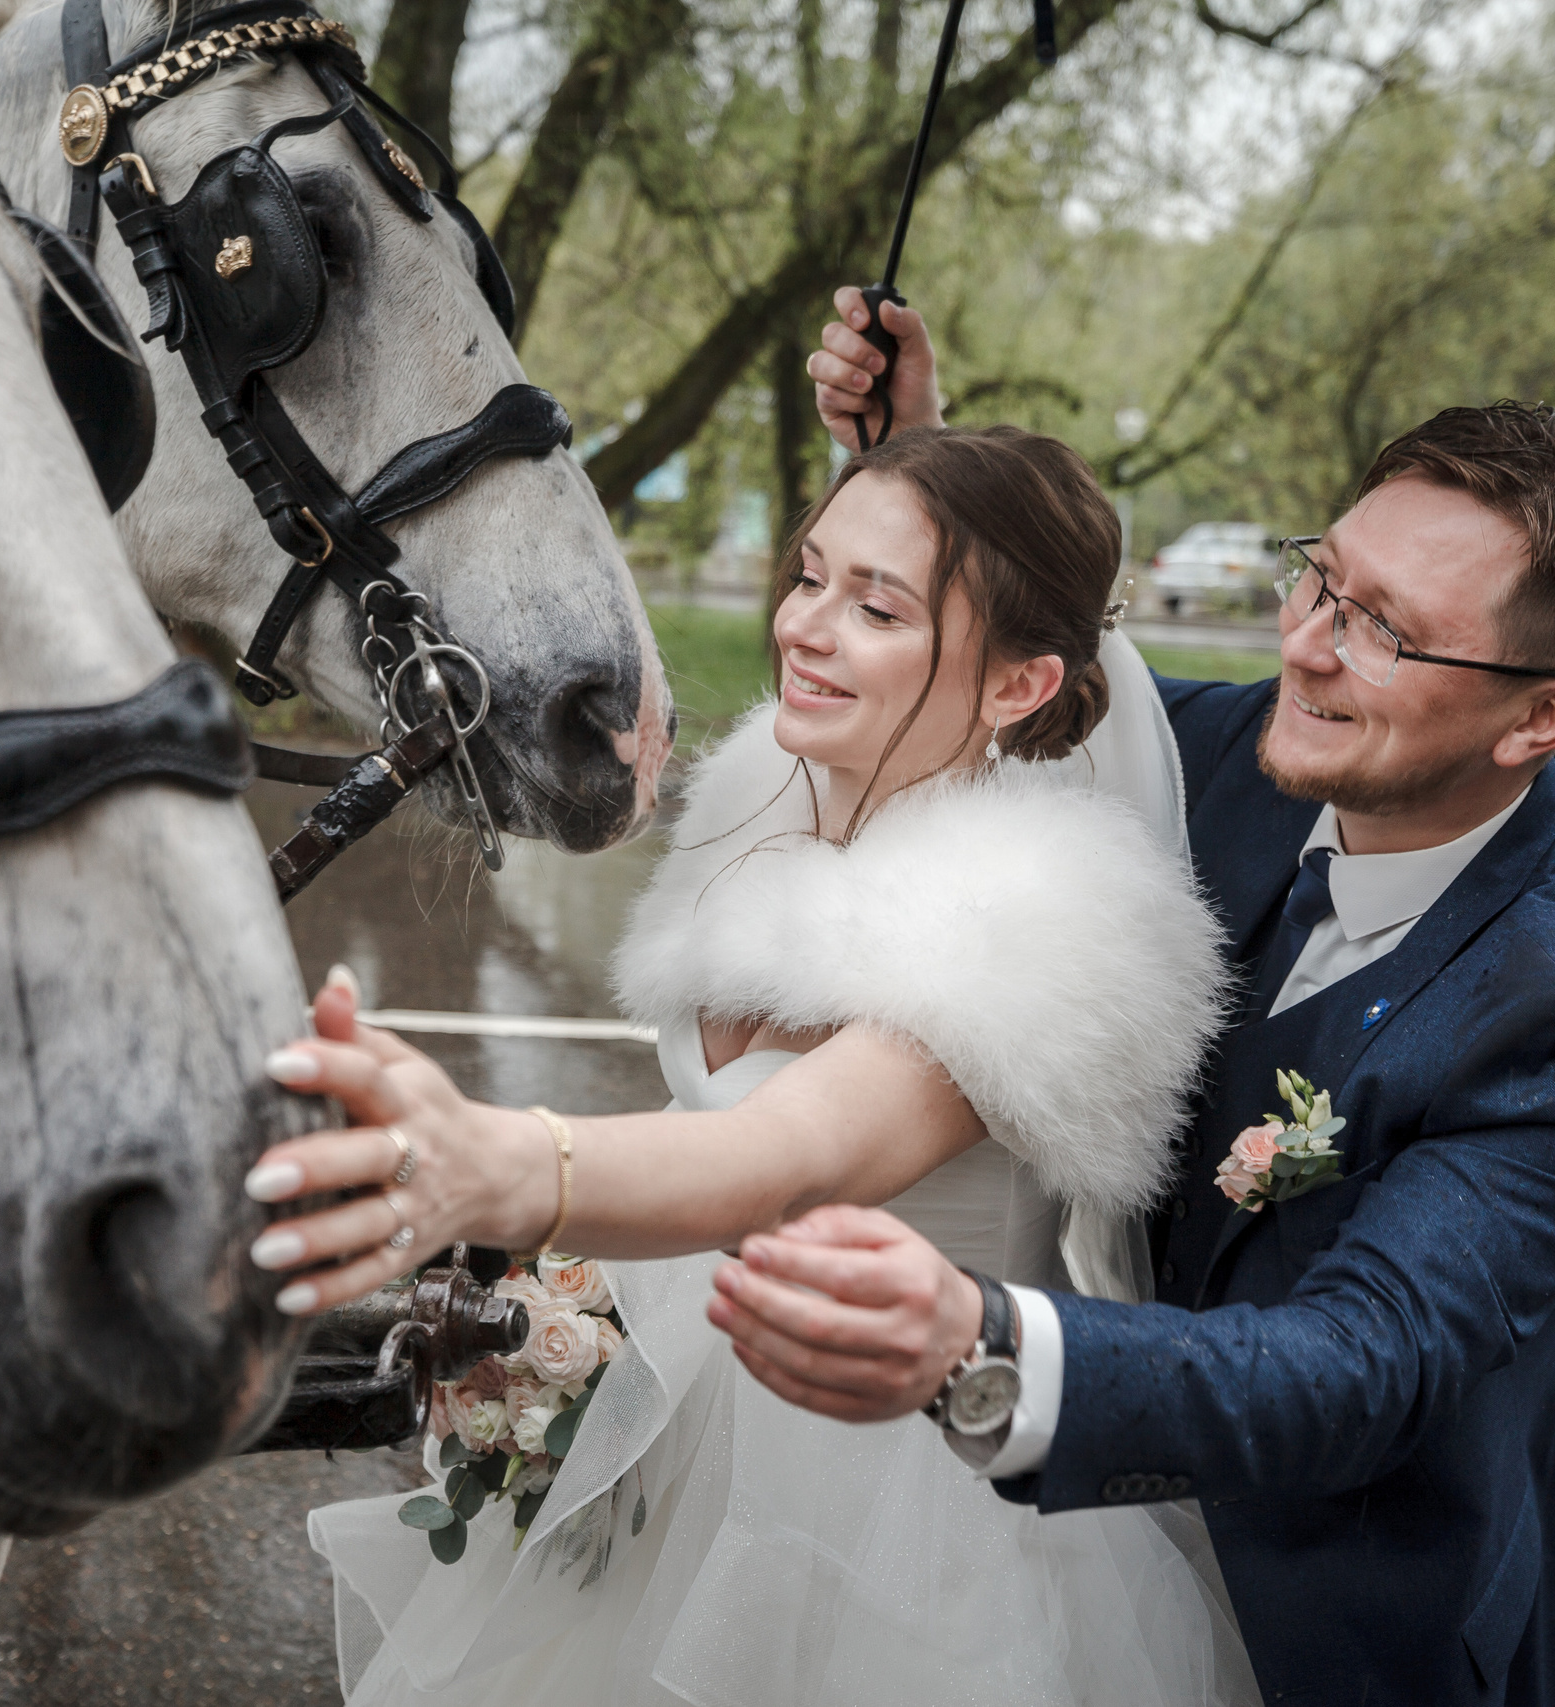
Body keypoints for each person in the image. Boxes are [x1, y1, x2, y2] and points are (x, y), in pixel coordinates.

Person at [697, 291, 1555, 1706]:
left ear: (1542, 715)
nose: (1306, 644)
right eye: (1320, 579)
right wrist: (924, 475)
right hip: (1109, 1551)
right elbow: (1035, 681)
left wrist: (982, 1346)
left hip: (1354, 1607)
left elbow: (1358, 1362)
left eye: (1386, 635)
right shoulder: (1242, 753)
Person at [251, 424, 1262, 1704]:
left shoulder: (1031, 920)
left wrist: (492, 1163)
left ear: (1018, 686)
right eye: (809, 575)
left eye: (876, 605)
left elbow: (773, 1160)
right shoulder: (767, 804)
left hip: (892, 1524)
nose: (806, 626)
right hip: (687, 1429)